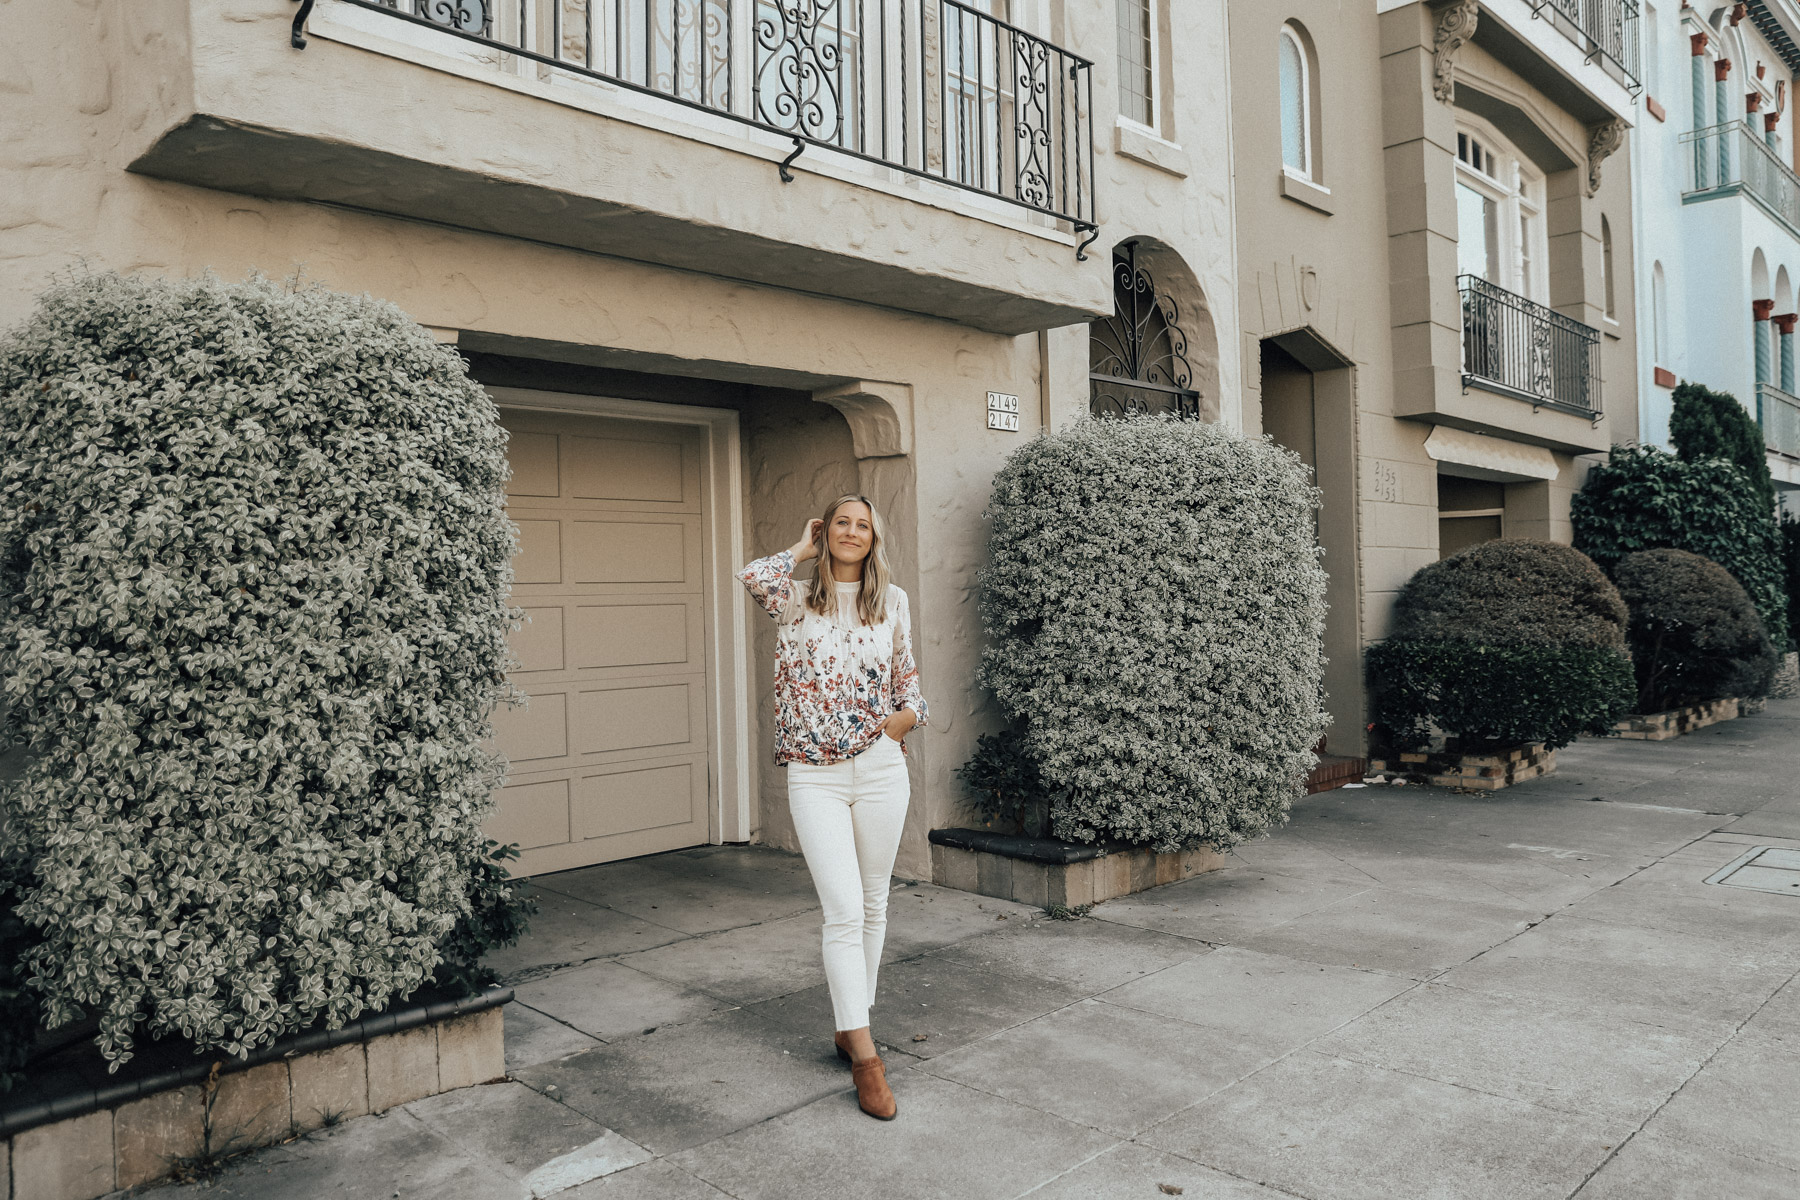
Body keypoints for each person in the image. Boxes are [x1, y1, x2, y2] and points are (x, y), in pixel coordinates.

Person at [736, 494, 928, 1121]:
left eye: (862, 525)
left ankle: (851, 1026)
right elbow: (751, 575)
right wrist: (801, 547)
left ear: (875, 539)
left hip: (879, 769)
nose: (852, 532)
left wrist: (896, 726)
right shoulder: (794, 598)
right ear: (827, 531)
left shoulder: (891, 602)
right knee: (844, 910)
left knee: (874, 903)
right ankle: (867, 1060)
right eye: (840, 522)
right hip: (815, 776)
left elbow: (911, 690)